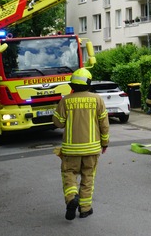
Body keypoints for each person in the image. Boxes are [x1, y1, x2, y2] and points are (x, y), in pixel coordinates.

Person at [53, 68, 110, 220]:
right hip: (92, 148)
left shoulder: (65, 100)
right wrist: (105, 143)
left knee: (69, 174)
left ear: (72, 85)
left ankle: (71, 198)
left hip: (71, 149)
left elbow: (58, 123)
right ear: (89, 83)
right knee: (88, 177)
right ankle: (85, 208)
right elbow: (104, 124)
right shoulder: (97, 100)